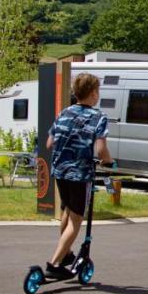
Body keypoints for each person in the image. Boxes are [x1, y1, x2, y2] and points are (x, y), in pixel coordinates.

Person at [44, 73, 113, 276]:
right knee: (76, 219)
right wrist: (108, 161)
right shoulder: (98, 117)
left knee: (67, 210)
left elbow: (50, 143)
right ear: (93, 94)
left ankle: (66, 254)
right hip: (80, 174)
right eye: (97, 91)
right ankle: (54, 264)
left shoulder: (64, 112)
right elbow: (101, 150)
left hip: (60, 171)